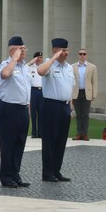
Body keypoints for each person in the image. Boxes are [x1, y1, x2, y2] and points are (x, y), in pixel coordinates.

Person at [0, 36, 32, 189]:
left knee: (19, 144)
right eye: (21, 49)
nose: (24, 51)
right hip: (9, 109)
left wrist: (28, 109)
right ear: (12, 50)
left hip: (23, 109)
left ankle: (15, 174)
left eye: (25, 48)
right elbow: (5, 74)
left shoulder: (25, 67)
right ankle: (6, 177)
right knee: (8, 145)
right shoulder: (6, 64)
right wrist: (14, 60)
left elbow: (26, 90)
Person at [38, 38, 74, 182]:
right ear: (55, 50)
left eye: (66, 50)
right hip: (51, 106)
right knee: (49, 140)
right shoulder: (49, 65)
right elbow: (40, 71)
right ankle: (47, 173)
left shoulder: (69, 68)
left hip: (65, 106)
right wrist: (53, 58)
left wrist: (70, 108)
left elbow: (69, 88)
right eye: (62, 50)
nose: (65, 53)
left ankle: (56, 170)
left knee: (61, 140)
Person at [71, 49, 97, 140]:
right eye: (80, 54)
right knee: (78, 114)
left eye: (84, 54)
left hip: (87, 92)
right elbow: (70, 81)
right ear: (78, 55)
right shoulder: (72, 67)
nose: (82, 55)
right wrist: (70, 95)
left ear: (86, 55)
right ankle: (79, 134)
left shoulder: (92, 67)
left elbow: (94, 81)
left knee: (85, 114)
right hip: (76, 92)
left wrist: (94, 94)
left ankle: (85, 134)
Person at [27, 52, 44, 138]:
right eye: (38, 57)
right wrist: (31, 62)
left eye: (41, 57)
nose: (40, 59)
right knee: (33, 113)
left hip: (42, 91)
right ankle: (34, 132)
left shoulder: (44, 67)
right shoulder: (30, 68)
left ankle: (40, 132)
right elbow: (25, 68)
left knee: (41, 112)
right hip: (33, 91)